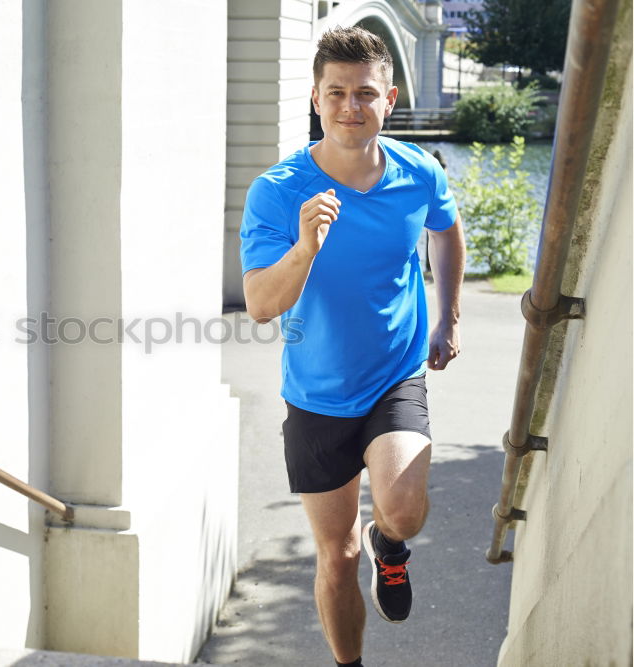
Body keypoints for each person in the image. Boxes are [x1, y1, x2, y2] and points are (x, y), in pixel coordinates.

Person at [239, 26, 466, 667]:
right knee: (334, 556)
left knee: (405, 510)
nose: (350, 107)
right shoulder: (278, 192)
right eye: (335, 93)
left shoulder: (418, 173)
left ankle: (389, 547)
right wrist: (305, 248)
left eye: (364, 94)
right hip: (316, 393)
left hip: (395, 374)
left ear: (389, 99)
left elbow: (447, 234)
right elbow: (260, 304)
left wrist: (447, 317)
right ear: (315, 97)